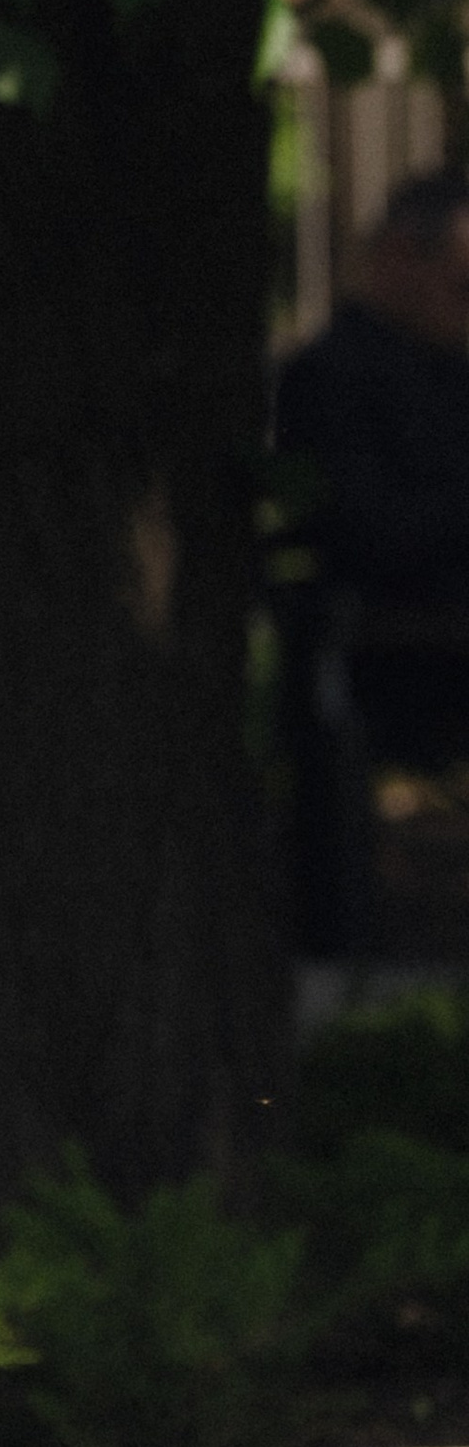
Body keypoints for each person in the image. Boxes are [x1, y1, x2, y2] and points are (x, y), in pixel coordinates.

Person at [276, 171, 469, 952]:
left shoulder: (448, 370)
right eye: (461, 283)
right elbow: (372, 532)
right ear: (400, 257)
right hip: (401, 651)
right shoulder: (333, 378)